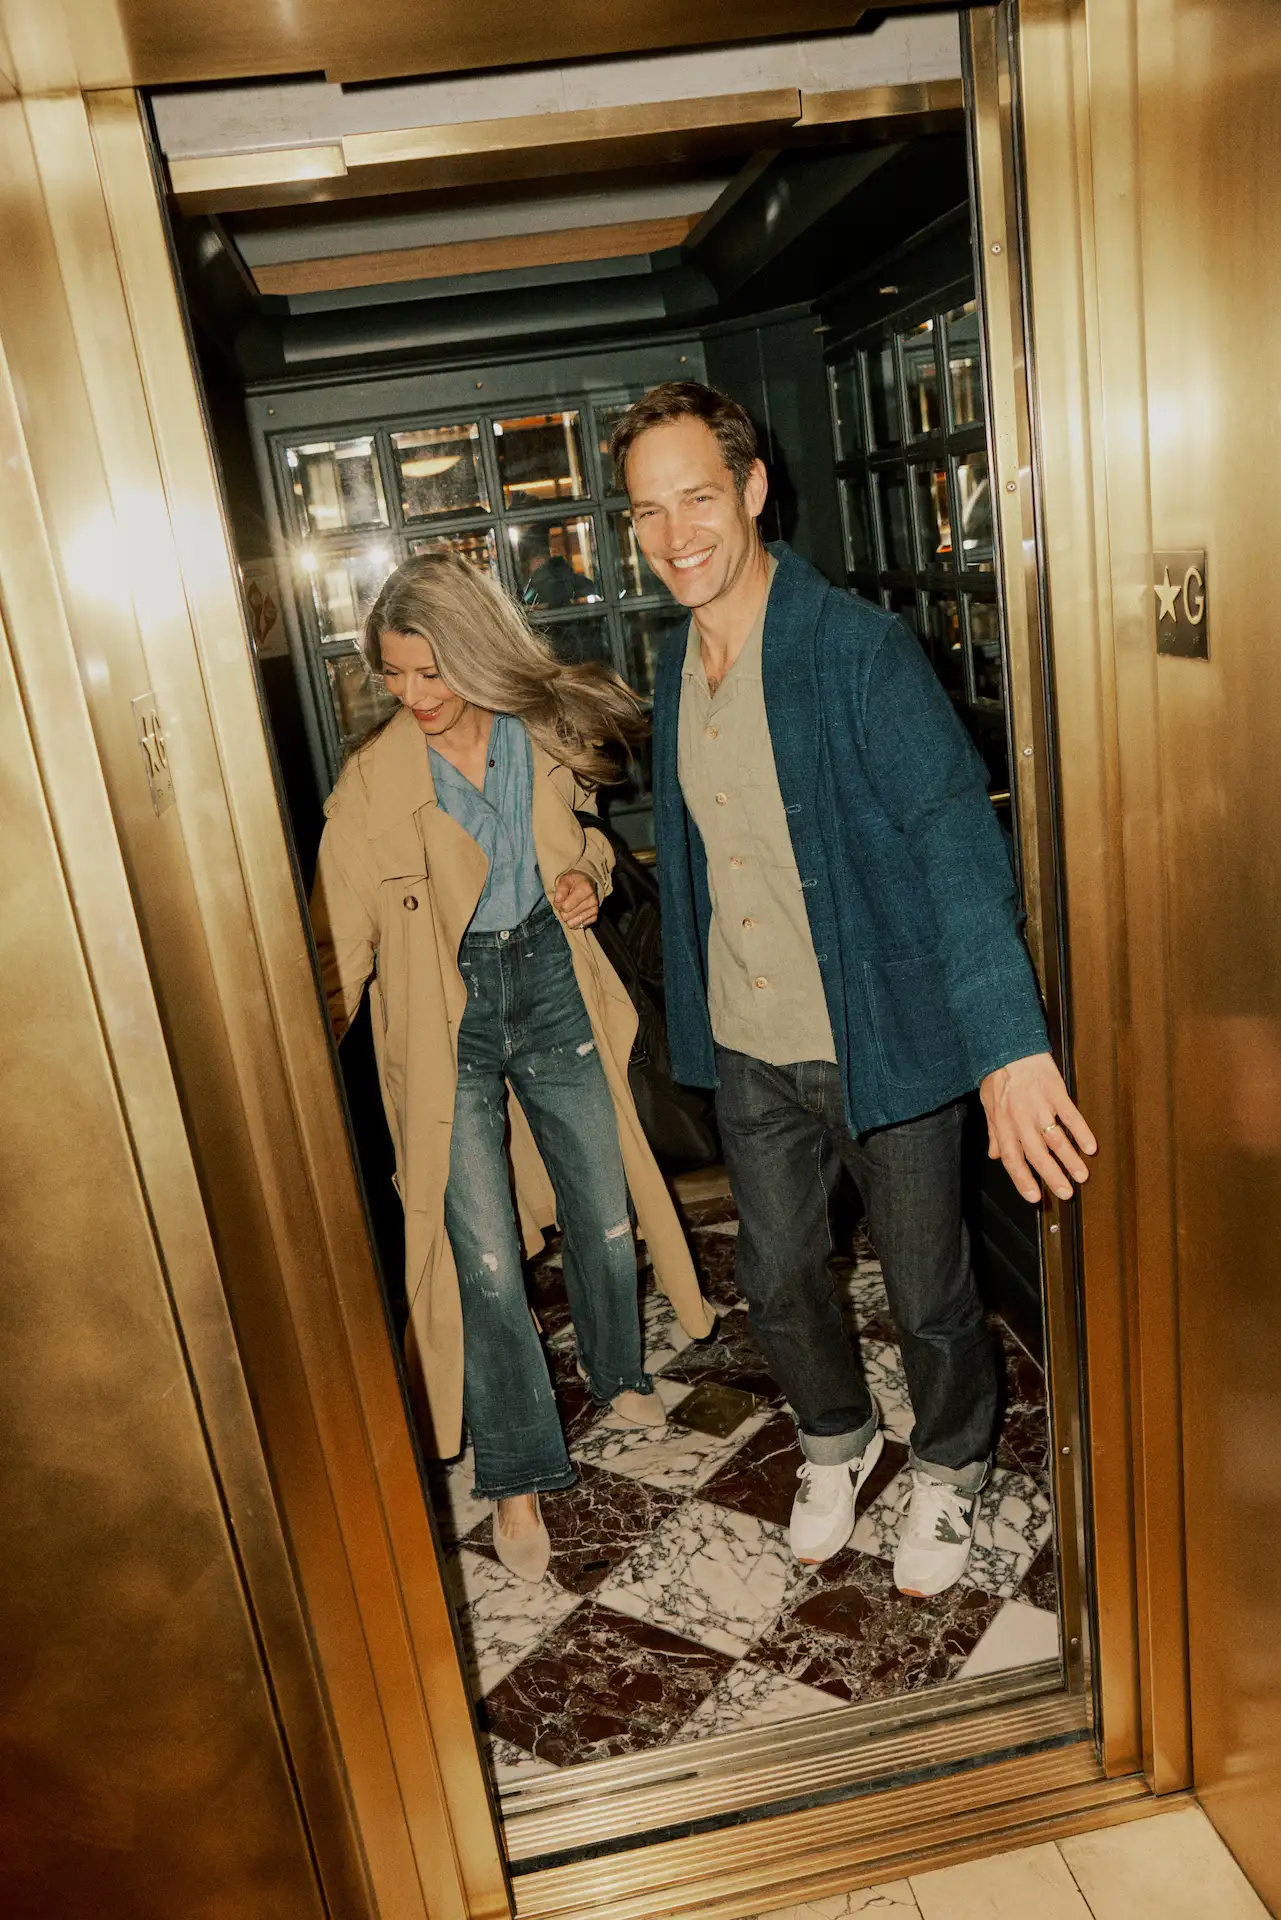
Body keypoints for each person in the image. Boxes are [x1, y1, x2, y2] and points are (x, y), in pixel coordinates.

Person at [611, 381, 1097, 1597]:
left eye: (699, 501)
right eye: (649, 512)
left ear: (755, 490)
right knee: (773, 1278)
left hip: (885, 1040)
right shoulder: (675, 667)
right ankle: (839, 1436)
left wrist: (1006, 1040)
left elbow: (950, 839)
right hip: (750, 1043)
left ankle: (953, 1462)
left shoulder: (858, 651)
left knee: (932, 1291)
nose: (676, 537)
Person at [310, 551, 716, 1582]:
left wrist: (581, 875)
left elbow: (581, 835)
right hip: (443, 1013)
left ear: (478, 654)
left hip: (546, 974)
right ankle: (519, 1476)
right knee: (484, 1258)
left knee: (605, 1203)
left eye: (432, 672)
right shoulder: (368, 788)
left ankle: (619, 1367)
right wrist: (294, 1067)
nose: (416, 696)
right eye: (396, 675)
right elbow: (336, 954)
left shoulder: (537, 736)